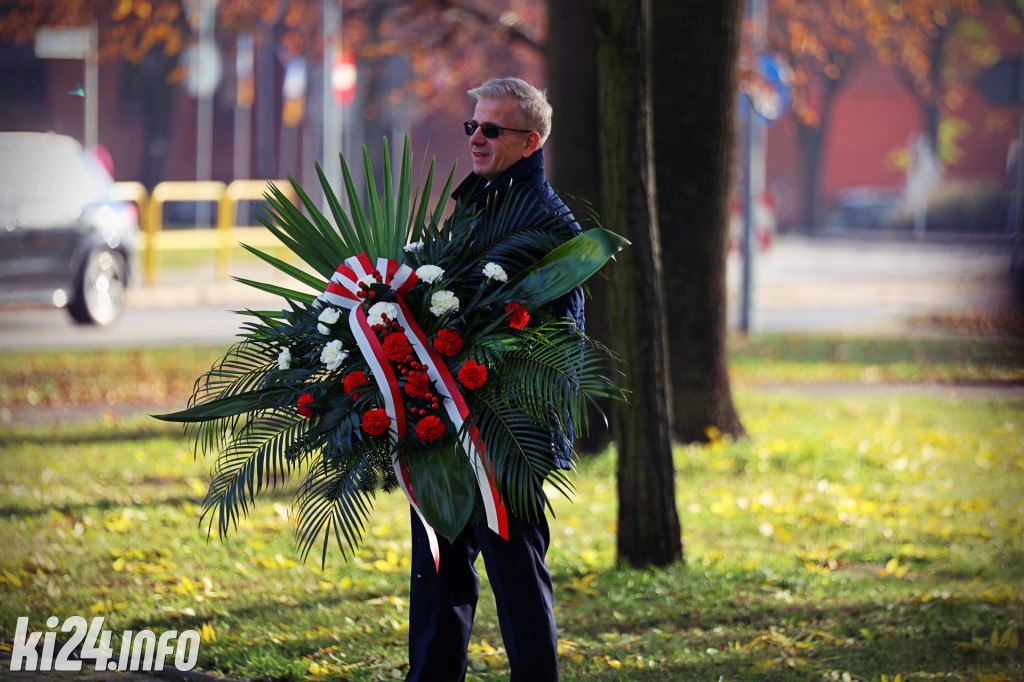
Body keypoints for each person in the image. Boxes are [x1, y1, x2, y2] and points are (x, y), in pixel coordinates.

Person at [405, 77, 583, 682]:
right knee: (438, 573)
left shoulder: (547, 222)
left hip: (507, 433)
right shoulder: (479, 201)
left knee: (516, 580)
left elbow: (539, 335)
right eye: (472, 126)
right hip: (445, 423)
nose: (476, 138)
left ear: (530, 141)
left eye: (492, 129)